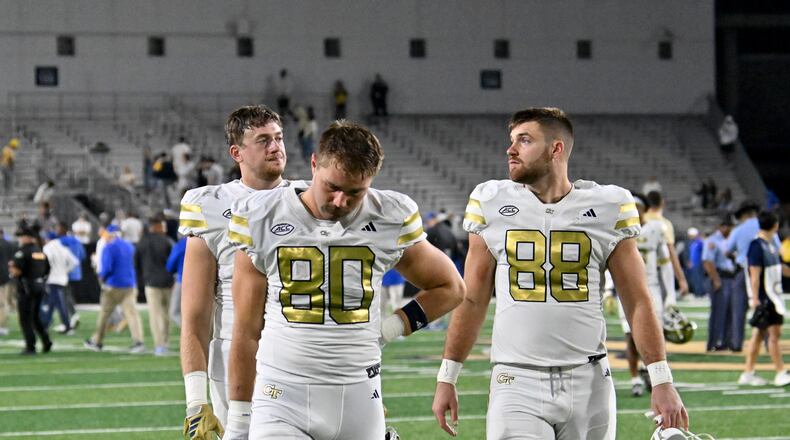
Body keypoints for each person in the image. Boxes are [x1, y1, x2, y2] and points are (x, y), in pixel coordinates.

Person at [431, 108, 687, 439]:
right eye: (512, 140)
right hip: (515, 380)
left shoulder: (610, 205)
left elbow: (636, 299)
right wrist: (447, 376)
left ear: (556, 149)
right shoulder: (491, 200)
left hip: (590, 380)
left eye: (524, 140)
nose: (511, 149)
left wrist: (662, 379)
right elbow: (473, 298)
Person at [223, 120, 464, 439]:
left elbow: (451, 288)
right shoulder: (261, 215)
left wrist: (389, 330)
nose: (340, 201)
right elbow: (246, 329)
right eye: (332, 187)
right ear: (313, 164)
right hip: (282, 394)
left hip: (359, 395)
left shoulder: (388, 215)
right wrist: (239, 421)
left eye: (354, 193)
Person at [179, 105, 293, 439]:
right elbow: (196, 316)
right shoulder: (209, 203)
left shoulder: (308, 197)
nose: (275, 147)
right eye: (263, 140)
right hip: (234, 356)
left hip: (301, 351)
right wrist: (196, 402)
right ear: (237, 153)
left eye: (278, 138)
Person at [617, 193, 669, 397]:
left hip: (652, 286)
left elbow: (666, 264)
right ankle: (634, 378)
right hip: (627, 287)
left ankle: (654, 375)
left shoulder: (657, 229)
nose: (635, 210)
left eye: (638, 206)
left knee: (655, 333)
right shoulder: (620, 228)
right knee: (630, 336)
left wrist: (671, 295)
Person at [737, 211, 790, 387]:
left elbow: (774, 267)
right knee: (773, 334)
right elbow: (754, 273)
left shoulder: (769, 245)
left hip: (772, 296)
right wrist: (755, 298)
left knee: (759, 335)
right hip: (766, 297)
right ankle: (780, 371)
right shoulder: (757, 245)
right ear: (775, 225)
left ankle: (748, 372)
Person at [724, 201, 779, 352]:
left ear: (743, 215)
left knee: (739, 310)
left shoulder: (739, 229)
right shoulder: (765, 227)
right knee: (768, 308)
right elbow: (777, 249)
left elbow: (727, 250)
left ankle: (736, 344)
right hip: (766, 273)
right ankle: (769, 344)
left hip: (743, 270)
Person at [84, 224, 144, 353]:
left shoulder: (108, 247)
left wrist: (101, 277)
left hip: (112, 286)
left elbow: (107, 268)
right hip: (129, 285)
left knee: (104, 315)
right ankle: (138, 341)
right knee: (132, 314)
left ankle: (97, 341)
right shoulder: (129, 246)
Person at [10, 224, 52, 355]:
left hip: (26, 288)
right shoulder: (40, 251)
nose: (20, 239)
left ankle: (30, 346)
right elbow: (47, 269)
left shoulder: (22, 252)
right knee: (35, 317)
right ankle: (46, 341)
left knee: (25, 318)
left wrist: (11, 269)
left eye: (21, 236)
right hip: (39, 286)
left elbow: (16, 272)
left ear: (27, 237)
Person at [136, 214, 175, 356]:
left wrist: (142, 279)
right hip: (167, 282)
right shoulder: (167, 241)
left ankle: (159, 345)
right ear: (158, 226)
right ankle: (165, 342)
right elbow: (172, 261)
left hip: (151, 283)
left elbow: (137, 263)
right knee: (166, 315)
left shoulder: (142, 241)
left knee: (155, 315)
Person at [644, 191, 689, 304]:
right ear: (662, 203)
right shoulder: (664, 224)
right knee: (661, 310)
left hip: (639, 270)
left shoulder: (640, 220)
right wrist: (681, 279)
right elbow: (671, 253)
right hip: (659, 272)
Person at [702, 215, 736, 352]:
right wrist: (715, 279)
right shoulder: (712, 240)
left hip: (731, 278)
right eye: (728, 226)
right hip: (720, 277)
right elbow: (707, 261)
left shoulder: (730, 240)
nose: (730, 229)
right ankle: (713, 342)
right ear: (722, 226)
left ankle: (727, 342)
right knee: (718, 312)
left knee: (730, 312)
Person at [40, 231, 79, 334]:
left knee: (58, 304)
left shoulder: (47, 248)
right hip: (62, 279)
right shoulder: (63, 248)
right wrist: (65, 271)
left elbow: (46, 263)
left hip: (52, 279)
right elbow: (75, 262)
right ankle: (45, 325)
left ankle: (67, 326)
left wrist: (44, 274)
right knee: (53, 302)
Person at [0, 229, 16, 336]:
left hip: (2, 276)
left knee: (2, 303)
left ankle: (2, 326)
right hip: (7, 276)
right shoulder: (10, 244)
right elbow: (12, 261)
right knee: (6, 301)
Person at [685, 227, 705, 296]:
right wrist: (688, 261)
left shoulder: (699, 242)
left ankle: (700, 293)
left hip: (699, 264)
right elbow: (688, 254)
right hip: (692, 265)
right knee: (693, 280)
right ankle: (696, 293)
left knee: (699, 279)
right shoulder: (690, 243)